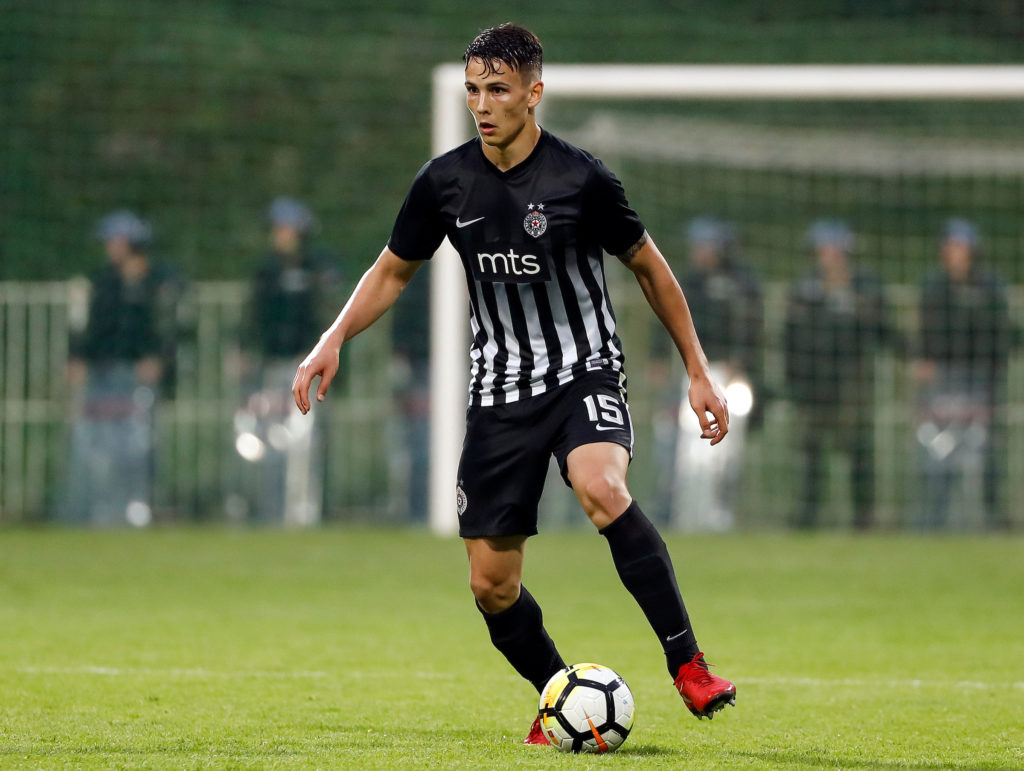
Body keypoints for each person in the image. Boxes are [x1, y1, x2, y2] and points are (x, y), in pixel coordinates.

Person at [291, 24, 736, 740]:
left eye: (497, 89)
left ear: (534, 93)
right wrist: (332, 337)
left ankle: (688, 664)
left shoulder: (582, 179)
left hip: (583, 370)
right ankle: (558, 693)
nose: (481, 104)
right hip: (499, 392)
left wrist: (698, 369)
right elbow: (393, 270)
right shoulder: (443, 182)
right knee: (491, 585)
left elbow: (650, 268)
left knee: (602, 487)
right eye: (473, 90)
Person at [62, 210, 184, 526]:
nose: (110, 247)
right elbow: (86, 326)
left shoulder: (159, 282)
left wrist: (158, 360)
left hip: (136, 375)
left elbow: (169, 327)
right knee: (96, 444)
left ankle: (136, 508)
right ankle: (96, 511)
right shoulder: (101, 281)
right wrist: (77, 358)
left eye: (115, 241)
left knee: (135, 445)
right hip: (101, 372)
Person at [236, 196, 343, 525]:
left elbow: (328, 316)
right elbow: (253, 317)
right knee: (269, 440)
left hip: (307, 368)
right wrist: (245, 350)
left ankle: (306, 512)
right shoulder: (266, 272)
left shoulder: (318, 268)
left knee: (307, 441)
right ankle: (269, 511)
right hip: (271, 367)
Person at [653, 217, 763, 530]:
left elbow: (753, 328)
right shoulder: (687, 282)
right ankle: (681, 512)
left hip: (728, 375)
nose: (700, 252)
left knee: (726, 449)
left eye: (706, 246)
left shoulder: (743, 283)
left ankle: (720, 514)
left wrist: (740, 362)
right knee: (685, 449)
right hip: (692, 372)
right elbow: (664, 319)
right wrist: (661, 359)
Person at [783, 219, 893, 530]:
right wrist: (794, 382)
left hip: (851, 384)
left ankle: (863, 518)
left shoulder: (865, 288)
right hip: (813, 384)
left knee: (859, 451)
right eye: (823, 251)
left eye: (834, 251)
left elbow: (883, 332)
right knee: (811, 454)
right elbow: (791, 338)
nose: (828, 257)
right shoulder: (803, 291)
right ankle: (808, 517)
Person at [914, 219, 1012, 530]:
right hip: (943, 380)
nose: (956, 253)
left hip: (982, 379)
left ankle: (991, 518)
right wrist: (925, 361)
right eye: (951, 246)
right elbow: (925, 332)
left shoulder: (990, 287)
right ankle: (934, 520)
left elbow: (1001, 333)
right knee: (938, 448)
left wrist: (994, 369)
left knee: (984, 449)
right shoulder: (933, 287)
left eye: (962, 247)